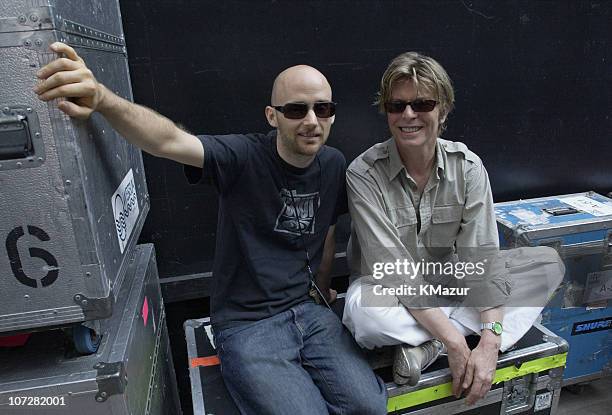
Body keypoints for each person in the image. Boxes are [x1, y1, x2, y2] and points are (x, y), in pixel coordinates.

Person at [34, 42, 387, 415]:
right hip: (248, 325)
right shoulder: (243, 157)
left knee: (370, 406)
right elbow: (167, 140)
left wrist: (322, 288)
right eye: (297, 109)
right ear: (272, 115)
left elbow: (327, 231)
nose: (312, 121)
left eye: (323, 108)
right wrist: (103, 98)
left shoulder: (332, 163)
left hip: (308, 311)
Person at [342, 52, 565, 405]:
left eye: (422, 103)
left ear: (443, 109)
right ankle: (448, 334)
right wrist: (457, 342)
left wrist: (490, 344)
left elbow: (485, 260)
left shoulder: (469, 167)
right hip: (388, 290)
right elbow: (395, 273)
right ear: (386, 111)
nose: (408, 115)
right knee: (362, 314)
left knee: (547, 266)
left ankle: (427, 346)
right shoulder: (363, 174)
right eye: (397, 106)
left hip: (451, 280)